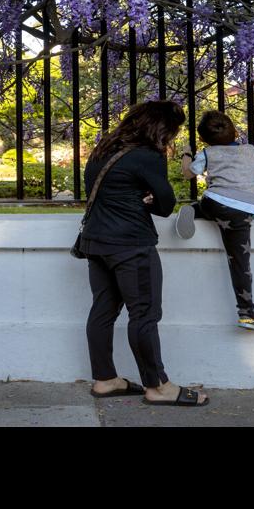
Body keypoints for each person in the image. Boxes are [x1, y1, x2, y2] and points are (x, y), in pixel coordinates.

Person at [76, 100, 209, 408]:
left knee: (102, 311)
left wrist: (138, 196)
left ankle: (105, 379)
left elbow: (110, 194)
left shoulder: (101, 152)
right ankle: (157, 385)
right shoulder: (148, 155)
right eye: (173, 132)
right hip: (131, 246)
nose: (172, 139)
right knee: (144, 315)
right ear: (161, 129)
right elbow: (165, 205)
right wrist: (147, 200)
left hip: (96, 243)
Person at [173, 110, 254, 331]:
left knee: (205, 206)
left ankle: (193, 210)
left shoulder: (208, 152)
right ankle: (246, 314)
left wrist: (187, 154)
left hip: (215, 202)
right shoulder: (252, 150)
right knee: (239, 261)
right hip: (243, 209)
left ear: (203, 139)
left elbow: (188, 174)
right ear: (235, 131)